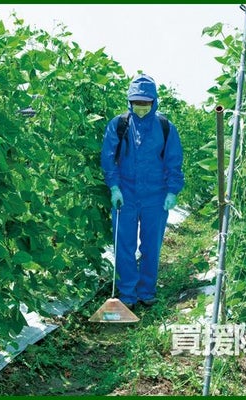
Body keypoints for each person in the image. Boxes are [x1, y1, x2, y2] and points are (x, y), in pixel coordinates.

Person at [101, 74, 184, 310]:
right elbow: (108, 158)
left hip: (155, 197)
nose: (141, 107)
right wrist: (114, 187)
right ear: (130, 101)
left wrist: (172, 191)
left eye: (145, 103)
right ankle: (127, 293)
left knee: (150, 245)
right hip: (125, 194)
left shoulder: (165, 127)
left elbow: (173, 161)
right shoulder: (119, 125)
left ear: (154, 102)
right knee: (123, 245)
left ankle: (146, 291)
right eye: (137, 102)